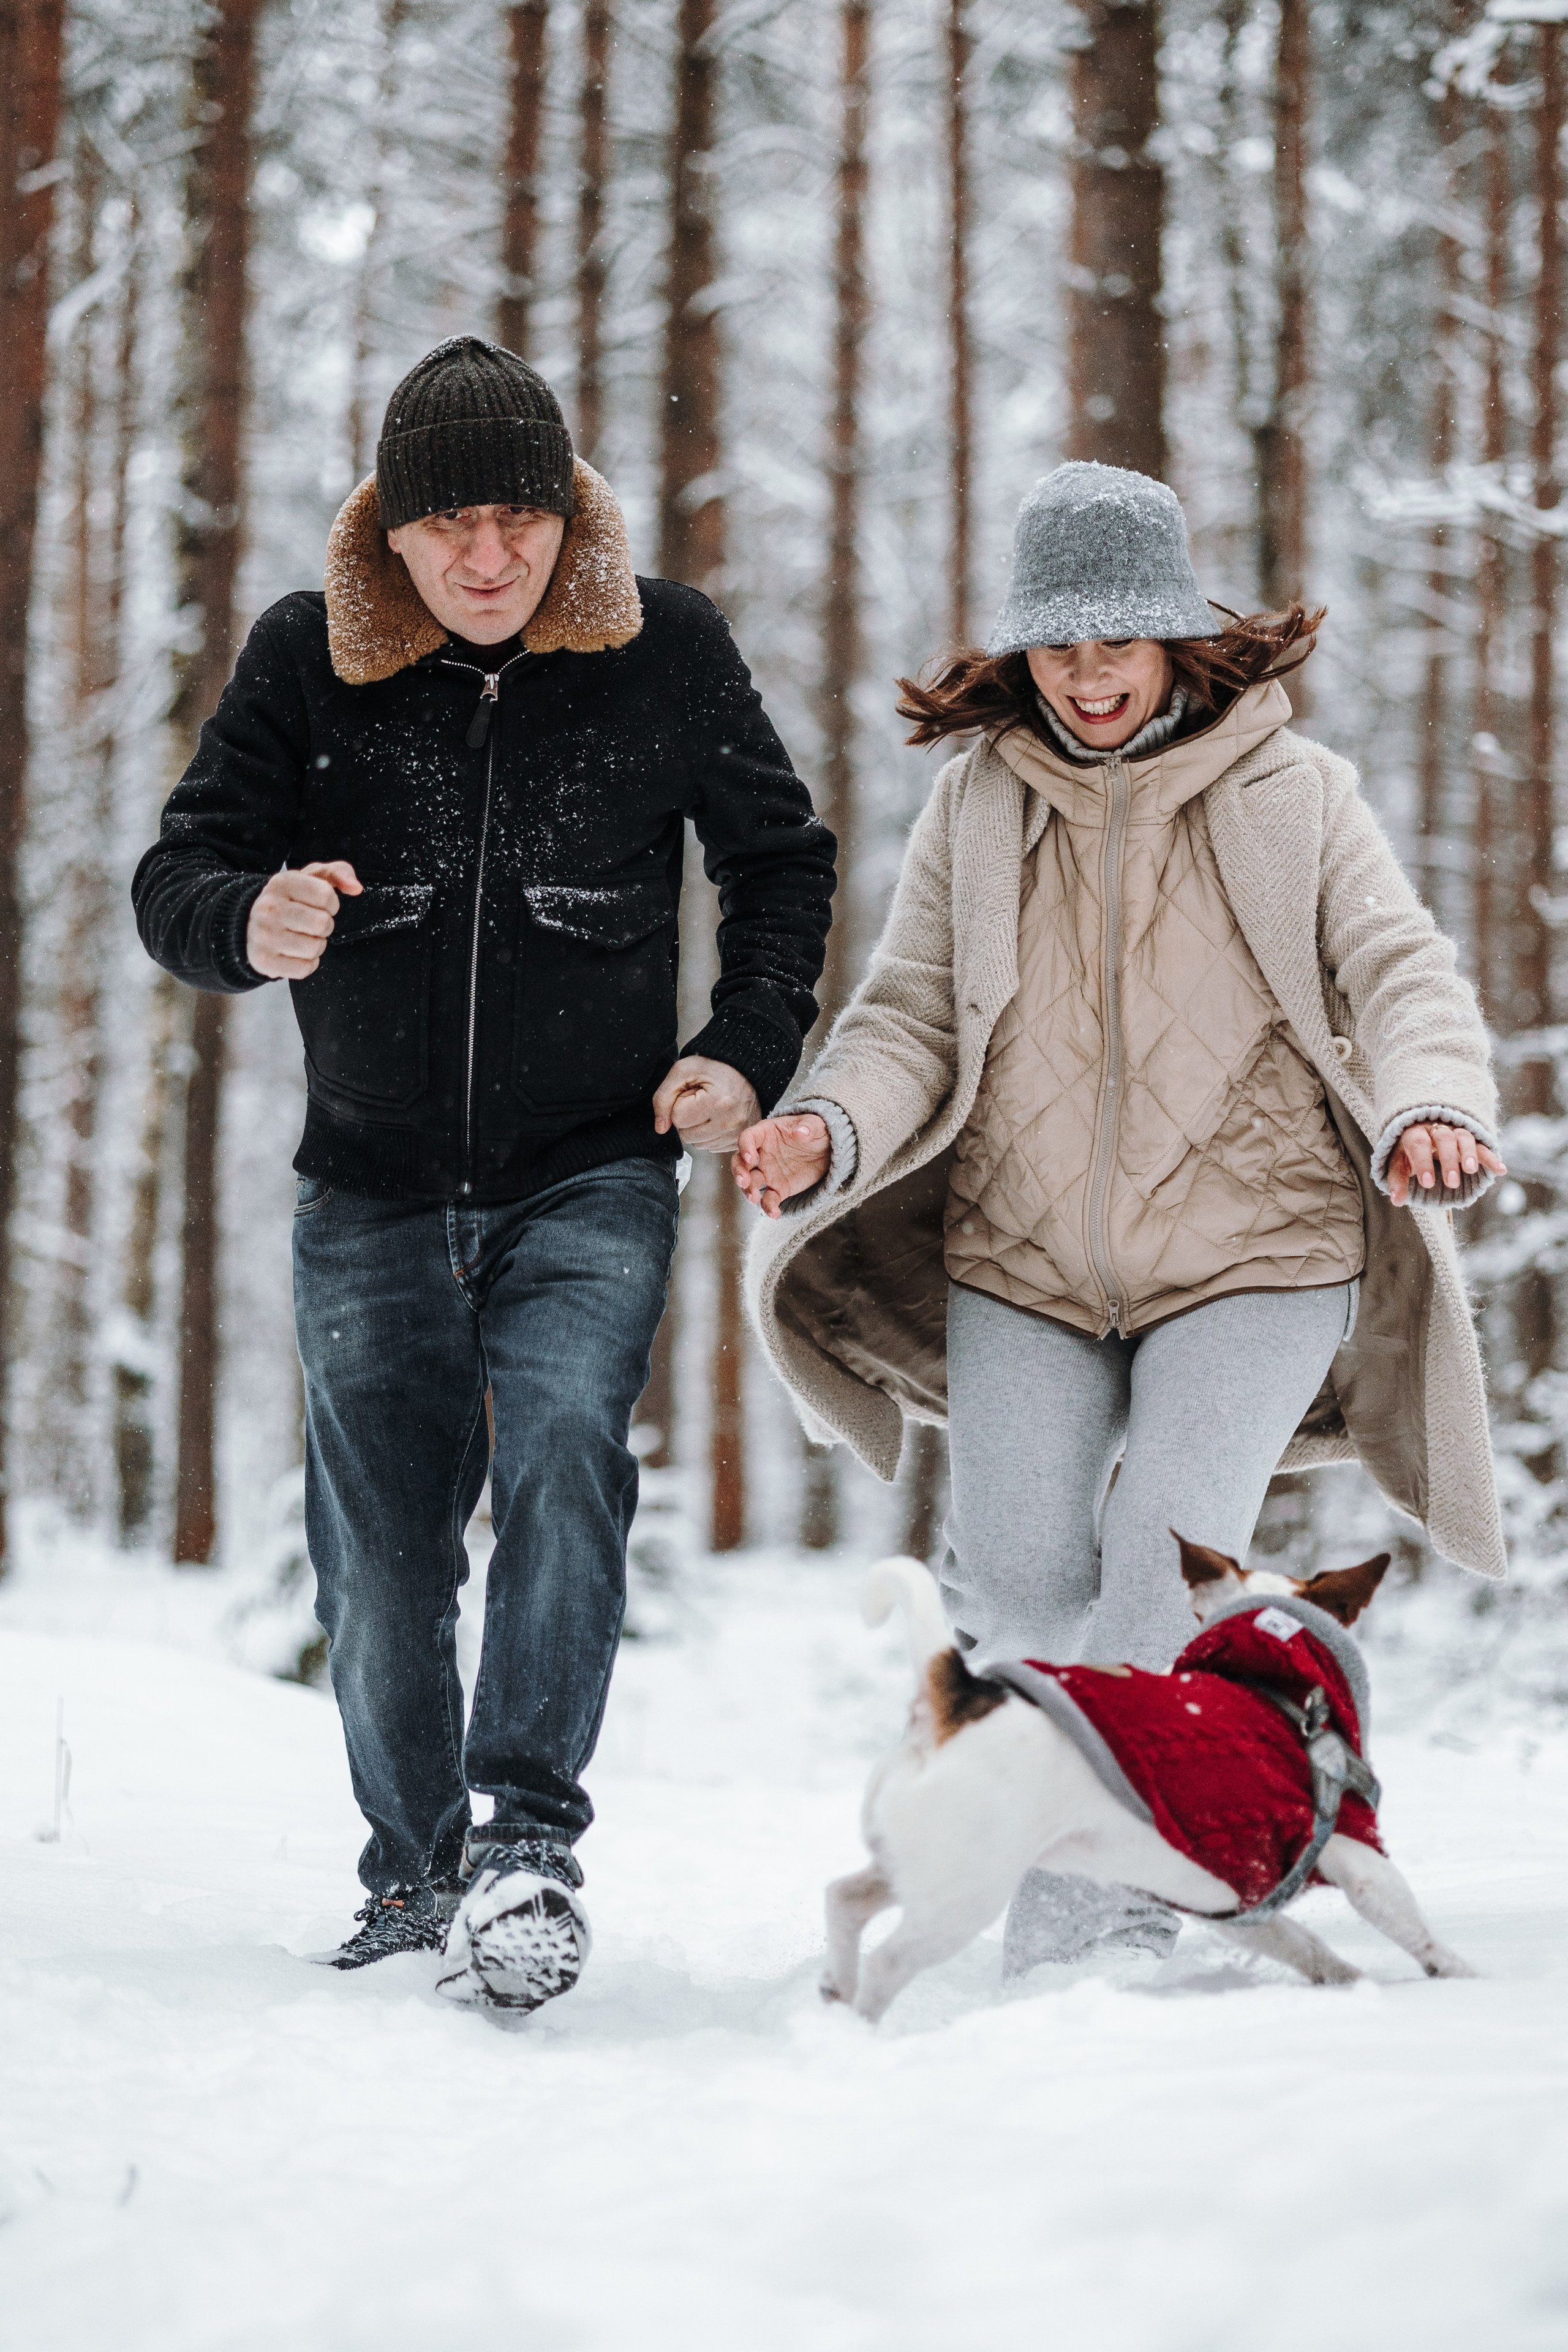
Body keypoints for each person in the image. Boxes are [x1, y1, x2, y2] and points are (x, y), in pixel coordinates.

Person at [134, 337, 835, 2013]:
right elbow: (180, 872)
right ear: (391, 533)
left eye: (519, 518)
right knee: (382, 1557)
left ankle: (526, 1847)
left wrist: (742, 1048)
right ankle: (413, 1875)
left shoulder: (663, 648)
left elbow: (780, 861)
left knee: (568, 1450)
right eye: (449, 524)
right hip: (366, 1188)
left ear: (567, 515)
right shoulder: (307, 655)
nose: (488, 555)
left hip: (590, 1171)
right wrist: (244, 919)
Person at [734, 459, 1503, 1968]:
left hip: (1255, 1256)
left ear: (1172, 637)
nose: (1087, 676)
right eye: (1057, 645)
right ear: (1023, 650)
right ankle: (1058, 1878)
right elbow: (908, 1016)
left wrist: (1430, 1100)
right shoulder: (978, 805)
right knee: (1020, 1589)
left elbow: (1398, 969)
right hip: (1023, 1264)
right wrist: (829, 1124)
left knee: (1161, 1577)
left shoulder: (1291, 795)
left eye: (1118, 641)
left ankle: (1088, 1945)